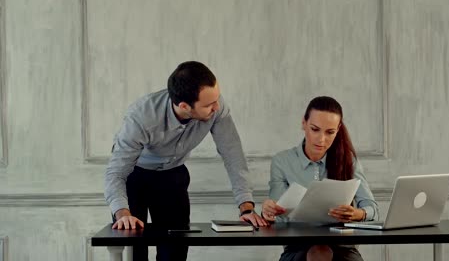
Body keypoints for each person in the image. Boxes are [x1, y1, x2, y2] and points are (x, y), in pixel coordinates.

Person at [104, 61, 267, 261]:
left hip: (173, 176)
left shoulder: (217, 106)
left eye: (217, 99)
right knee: (135, 252)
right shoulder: (141, 117)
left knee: (175, 252)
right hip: (135, 177)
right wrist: (122, 214)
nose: (217, 107)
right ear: (184, 106)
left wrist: (246, 207)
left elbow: (233, 155)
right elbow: (116, 173)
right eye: (208, 105)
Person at [261, 96, 379, 261]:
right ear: (304, 123)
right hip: (297, 246)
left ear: (338, 129)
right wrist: (269, 211)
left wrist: (356, 214)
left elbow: (372, 209)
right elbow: (277, 214)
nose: (321, 139)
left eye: (330, 132)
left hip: (342, 247)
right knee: (319, 252)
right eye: (315, 129)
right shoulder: (282, 161)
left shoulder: (348, 159)